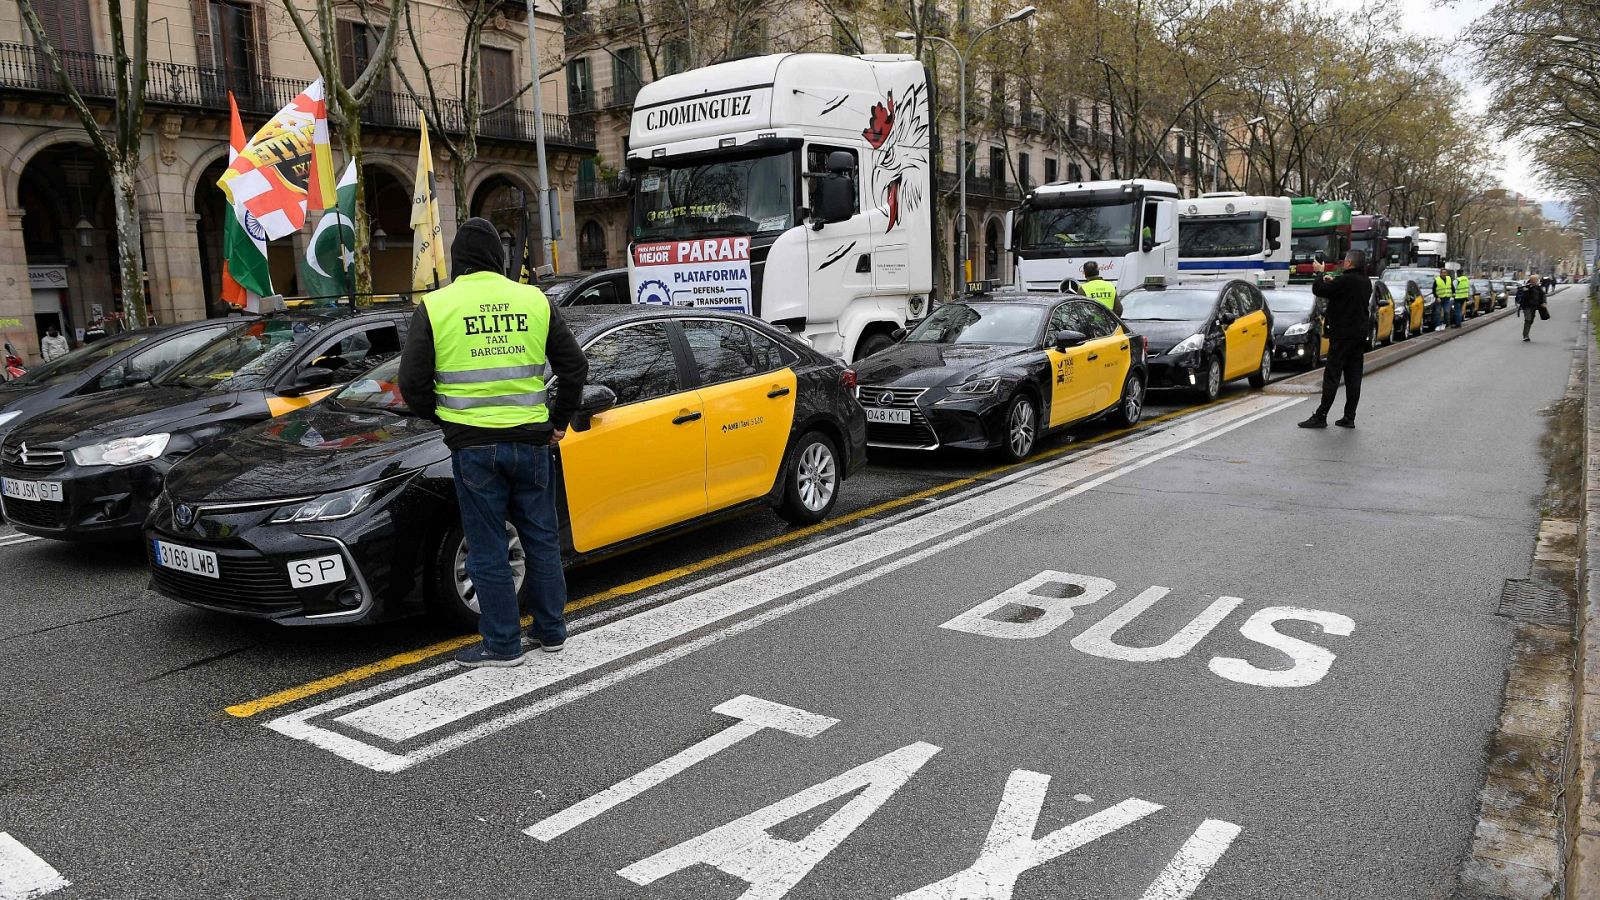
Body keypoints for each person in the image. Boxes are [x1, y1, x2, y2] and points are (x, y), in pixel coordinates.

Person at [399, 217, 589, 668]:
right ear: (499, 260)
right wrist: (558, 421)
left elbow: (411, 384)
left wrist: (448, 421)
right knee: (541, 538)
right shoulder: (532, 300)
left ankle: (503, 645)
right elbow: (575, 367)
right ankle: (551, 632)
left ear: (459, 262)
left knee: (487, 546)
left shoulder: (437, 306)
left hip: (474, 448)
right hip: (532, 440)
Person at [1300, 249, 1370, 429]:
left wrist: (1319, 272)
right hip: (1359, 335)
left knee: (1332, 375)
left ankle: (1321, 415)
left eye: (1345, 261)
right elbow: (1344, 292)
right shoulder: (1365, 282)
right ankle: (1349, 417)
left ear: (1349, 263)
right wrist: (1334, 281)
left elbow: (1319, 289)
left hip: (1341, 335)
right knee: (1354, 377)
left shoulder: (1345, 280)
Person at [1518, 274, 1546, 342]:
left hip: (1534, 307)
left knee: (1531, 320)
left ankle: (1526, 333)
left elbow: (1543, 295)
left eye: (1537, 280)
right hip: (1527, 307)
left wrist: (1544, 302)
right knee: (1528, 320)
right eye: (1535, 280)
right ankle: (1525, 336)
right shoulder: (1526, 287)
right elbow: (1525, 297)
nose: (1536, 281)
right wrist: (1526, 291)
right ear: (1531, 280)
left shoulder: (1538, 287)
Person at [1432, 267, 1455, 332]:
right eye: (1442, 273)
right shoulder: (1437, 280)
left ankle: (1444, 324)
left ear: (1446, 273)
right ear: (1440, 273)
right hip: (1439, 299)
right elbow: (1434, 290)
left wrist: (1453, 294)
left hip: (1447, 298)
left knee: (1446, 312)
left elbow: (1452, 287)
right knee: (1438, 312)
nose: (1444, 274)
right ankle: (1437, 325)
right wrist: (1437, 297)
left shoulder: (1449, 279)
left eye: (1445, 273)